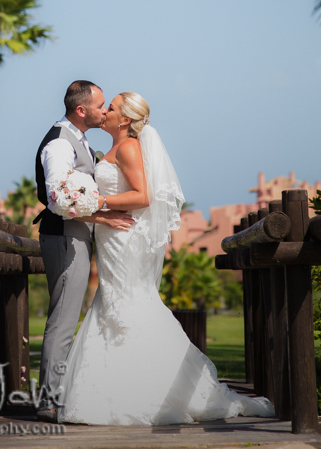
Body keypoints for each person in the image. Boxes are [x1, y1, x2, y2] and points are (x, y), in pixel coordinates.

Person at [59, 91, 275, 425]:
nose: (106, 113)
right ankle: (118, 387)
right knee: (114, 302)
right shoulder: (116, 148)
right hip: (111, 235)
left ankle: (150, 389)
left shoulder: (129, 147)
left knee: (129, 303)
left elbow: (143, 196)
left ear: (125, 120)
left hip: (122, 235)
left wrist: (98, 201)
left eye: (111, 108)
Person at [34, 80, 135, 423]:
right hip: (64, 235)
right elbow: (58, 198)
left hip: (74, 234)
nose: (105, 111)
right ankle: (48, 401)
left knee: (66, 317)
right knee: (63, 319)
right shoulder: (61, 144)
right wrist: (104, 216)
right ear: (82, 110)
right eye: (101, 105)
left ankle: (55, 394)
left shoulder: (78, 139)